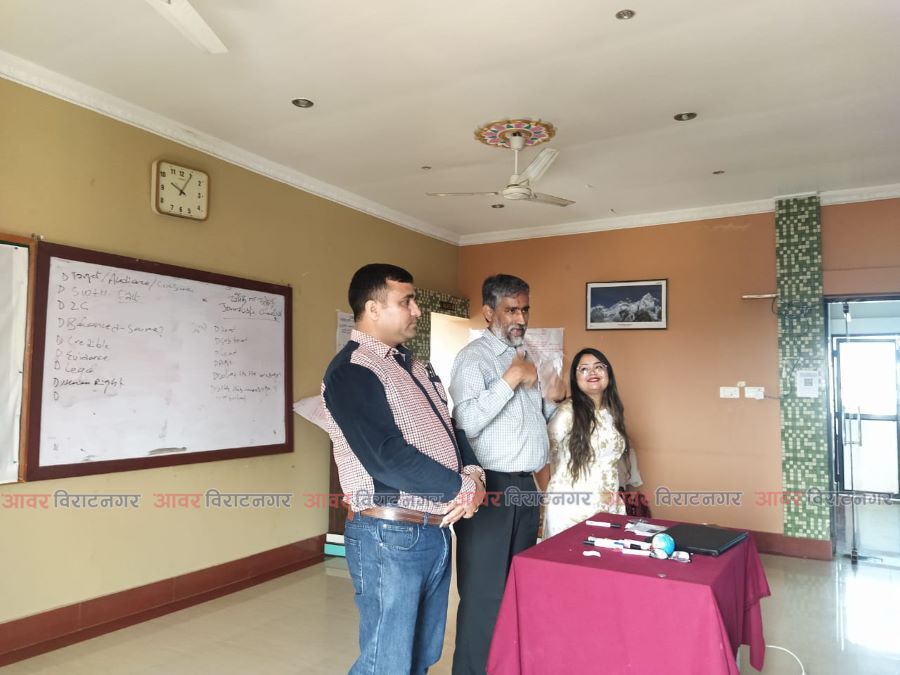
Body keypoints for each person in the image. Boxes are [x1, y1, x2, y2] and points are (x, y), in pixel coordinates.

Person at [321, 263, 485, 675]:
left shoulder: (416, 367)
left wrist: (474, 475)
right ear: (373, 308)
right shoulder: (353, 370)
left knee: (421, 656)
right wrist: (459, 488)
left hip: (434, 531)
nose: (416, 310)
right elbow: (385, 456)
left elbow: (451, 429)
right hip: (389, 535)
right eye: (406, 301)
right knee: (387, 662)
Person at [449, 273, 564, 675]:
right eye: (511, 309)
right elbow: (465, 421)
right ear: (488, 312)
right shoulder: (474, 358)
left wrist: (553, 393)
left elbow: (542, 417)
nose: (521, 318)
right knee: (484, 596)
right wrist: (510, 379)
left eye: (525, 309)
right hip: (489, 487)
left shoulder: (528, 356)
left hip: (526, 488)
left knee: (518, 590)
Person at [543, 347, 635, 538]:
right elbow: (542, 456)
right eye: (584, 369)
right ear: (575, 378)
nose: (592, 372)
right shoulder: (567, 413)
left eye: (598, 367)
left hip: (608, 505)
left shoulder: (613, 412)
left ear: (608, 373)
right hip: (571, 509)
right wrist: (549, 496)